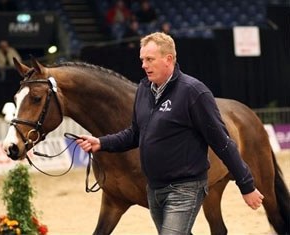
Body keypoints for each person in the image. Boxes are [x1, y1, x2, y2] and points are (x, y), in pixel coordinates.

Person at [76, 32, 264, 235]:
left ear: (169, 59)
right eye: (142, 60)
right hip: (155, 188)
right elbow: (135, 134)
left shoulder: (193, 92)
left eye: (149, 59)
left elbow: (222, 142)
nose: (144, 65)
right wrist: (101, 143)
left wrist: (246, 185)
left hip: (186, 187)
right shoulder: (144, 90)